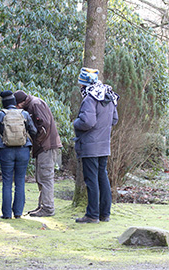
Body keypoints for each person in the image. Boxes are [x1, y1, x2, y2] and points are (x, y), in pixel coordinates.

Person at [73, 67, 119, 224]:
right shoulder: (109, 96)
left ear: (84, 84)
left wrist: (75, 122)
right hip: (104, 145)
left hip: (90, 146)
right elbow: (114, 119)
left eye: (81, 84)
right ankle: (105, 213)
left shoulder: (89, 99)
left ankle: (92, 214)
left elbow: (87, 122)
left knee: (91, 180)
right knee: (102, 178)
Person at [14, 90, 62, 217]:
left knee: (46, 177)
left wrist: (37, 140)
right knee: (40, 177)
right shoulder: (32, 104)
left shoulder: (35, 104)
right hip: (43, 146)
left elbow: (44, 125)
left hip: (47, 146)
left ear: (20, 103)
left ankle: (48, 208)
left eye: (16, 105)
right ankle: (42, 205)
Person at [0, 91, 37, 219]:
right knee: (20, 181)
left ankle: (6, 214)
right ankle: (18, 213)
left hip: (6, 150)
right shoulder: (24, 114)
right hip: (23, 150)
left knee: (7, 182)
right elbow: (34, 130)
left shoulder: (0, 115)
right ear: (14, 102)